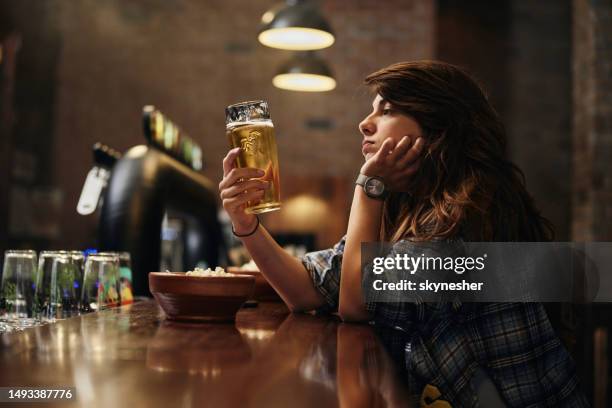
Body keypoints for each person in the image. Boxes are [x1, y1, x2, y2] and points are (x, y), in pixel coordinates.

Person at [218, 61, 588, 406]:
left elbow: (355, 305)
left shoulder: (468, 219)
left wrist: (368, 188)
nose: (365, 123)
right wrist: (246, 224)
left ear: (438, 128)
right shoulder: (406, 205)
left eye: (388, 110)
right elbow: (306, 289)